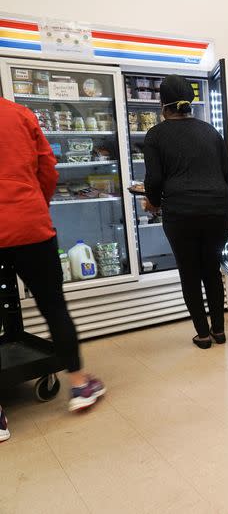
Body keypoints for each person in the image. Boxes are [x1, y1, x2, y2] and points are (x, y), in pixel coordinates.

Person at [0, 97, 106, 424]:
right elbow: (47, 167)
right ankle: (78, 385)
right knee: (53, 306)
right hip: (30, 227)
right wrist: (36, 203)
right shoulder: (19, 115)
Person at [143, 75, 228, 350]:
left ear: (162, 104)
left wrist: (152, 202)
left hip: (181, 213)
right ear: (190, 102)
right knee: (212, 269)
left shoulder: (155, 135)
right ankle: (219, 331)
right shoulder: (210, 131)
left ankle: (202, 335)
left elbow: (154, 180)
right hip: (217, 210)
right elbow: (227, 173)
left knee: (190, 272)